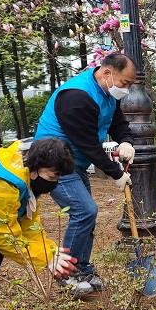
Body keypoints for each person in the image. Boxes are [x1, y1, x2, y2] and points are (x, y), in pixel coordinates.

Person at [35, 53, 137, 296]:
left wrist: (126, 142)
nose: (127, 89)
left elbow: (118, 124)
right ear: (106, 73)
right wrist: (115, 173)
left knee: (86, 215)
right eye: (125, 83)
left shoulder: (109, 95)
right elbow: (88, 145)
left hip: (74, 163)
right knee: (84, 211)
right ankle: (66, 274)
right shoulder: (76, 97)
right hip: (53, 162)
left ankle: (82, 268)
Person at [0, 138, 78, 310]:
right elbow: (3, 234)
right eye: (53, 175)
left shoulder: (26, 176)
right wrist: (43, 258)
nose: (55, 183)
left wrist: (50, 251)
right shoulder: (1, 183)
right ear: (36, 169)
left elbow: (29, 224)